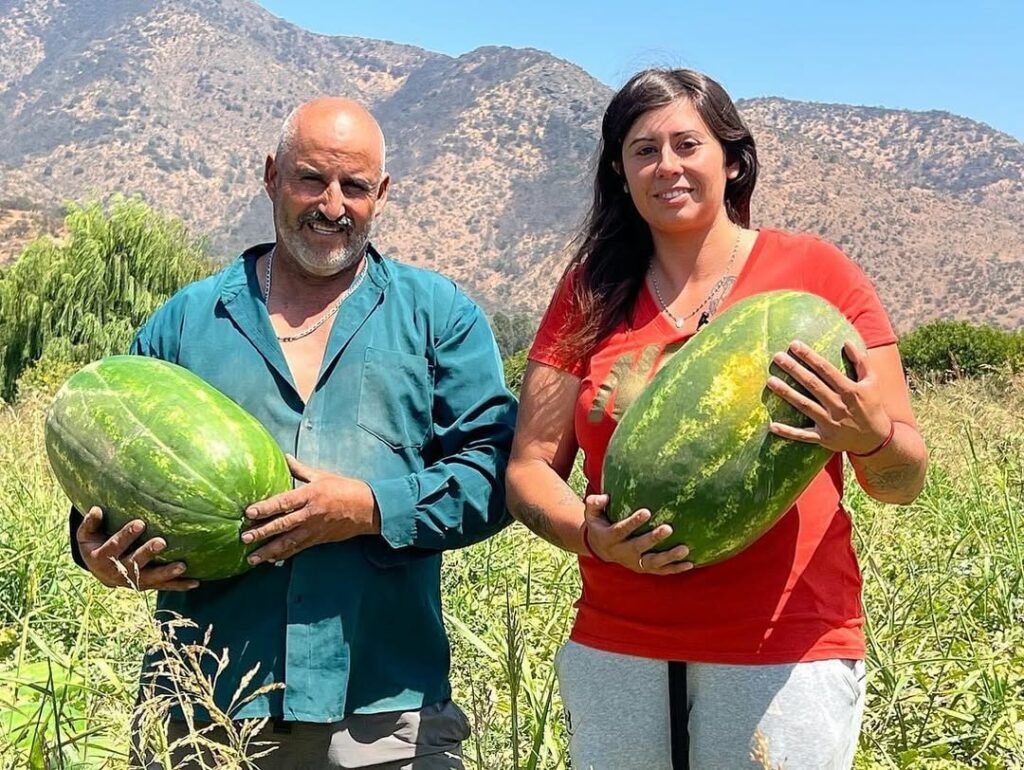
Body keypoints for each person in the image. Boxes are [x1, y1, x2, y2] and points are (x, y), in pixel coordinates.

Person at [69, 96, 516, 769]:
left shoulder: (439, 317)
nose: (331, 204)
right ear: (272, 175)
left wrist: (366, 509)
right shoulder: (188, 321)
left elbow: (495, 475)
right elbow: (107, 461)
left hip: (385, 711)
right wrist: (93, 550)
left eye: (355, 186)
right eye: (311, 179)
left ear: (381, 193)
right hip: (207, 711)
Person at [506, 68, 929, 769]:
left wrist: (870, 437)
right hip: (619, 644)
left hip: (784, 649)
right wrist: (589, 535)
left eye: (687, 144)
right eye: (644, 150)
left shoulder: (816, 277)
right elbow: (528, 468)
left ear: (731, 159)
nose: (666, 165)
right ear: (620, 170)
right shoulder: (589, 294)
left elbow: (901, 481)